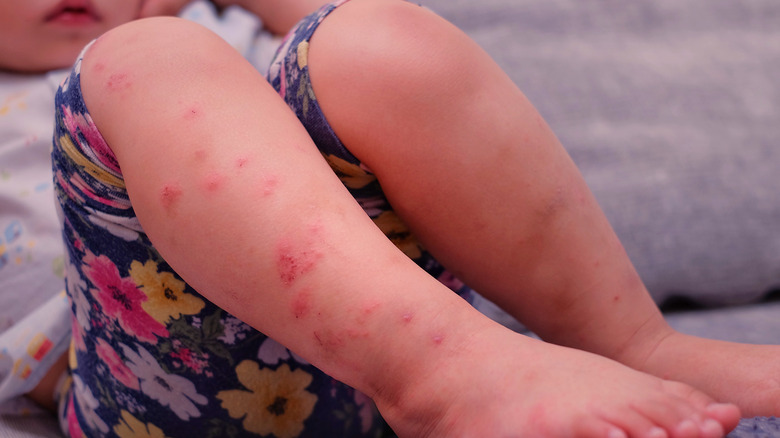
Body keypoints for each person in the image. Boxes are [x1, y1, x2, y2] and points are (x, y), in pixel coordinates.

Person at [31, 0, 780, 437]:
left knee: (375, 36)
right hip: (153, 394)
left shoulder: (231, 39)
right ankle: (442, 374)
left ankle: (632, 344)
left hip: (352, 370)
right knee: (145, 58)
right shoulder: (149, 52)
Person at [0, 0, 281, 417]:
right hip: (124, 382)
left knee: (365, 44)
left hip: (318, 306)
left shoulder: (198, 32)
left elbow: (331, 51)